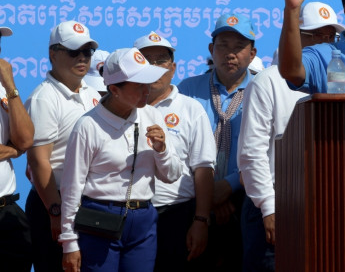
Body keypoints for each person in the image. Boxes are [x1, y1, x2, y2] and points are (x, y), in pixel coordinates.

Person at [238, 1, 344, 271]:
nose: (324, 43)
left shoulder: (339, 77)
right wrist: (268, 207)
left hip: (326, 204)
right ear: (295, 36)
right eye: (315, 35)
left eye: (329, 36)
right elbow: (252, 152)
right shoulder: (268, 81)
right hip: (277, 205)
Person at [59, 47, 184, 272]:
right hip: (99, 219)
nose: (148, 90)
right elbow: (71, 186)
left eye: (148, 82)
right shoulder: (88, 126)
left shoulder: (152, 115)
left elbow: (172, 175)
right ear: (115, 90)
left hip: (143, 220)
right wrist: (69, 241)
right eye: (139, 85)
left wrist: (162, 149)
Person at [178, 13, 258, 270]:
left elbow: (267, 150)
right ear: (212, 49)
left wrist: (228, 186)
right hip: (192, 200)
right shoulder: (187, 89)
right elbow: (177, 146)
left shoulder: (262, 90)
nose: (230, 54)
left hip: (244, 199)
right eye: (223, 46)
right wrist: (208, 191)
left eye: (238, 47)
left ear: (253, 54)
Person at [133, 32, 216, 272]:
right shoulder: (124, 108)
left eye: (161, 60)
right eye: (146, 60)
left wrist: (201, 220)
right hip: (132, 216)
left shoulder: (191, 109)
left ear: (173, 68)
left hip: (177, 215)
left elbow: (203, 169)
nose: (154, 67)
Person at [25, 21, 100, 272]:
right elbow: (38, 162)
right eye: (73, 51)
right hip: (54, 205)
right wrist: (56, 213)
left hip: (88, 205)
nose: (82, 58)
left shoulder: (93, 94)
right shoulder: (44, 98)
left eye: (87, 52)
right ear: (53, 54)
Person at [0, 26, 34, 271]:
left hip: (8, 212)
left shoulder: (4, 87)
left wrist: (10, 84)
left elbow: (24, 140)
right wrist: (12, 150)